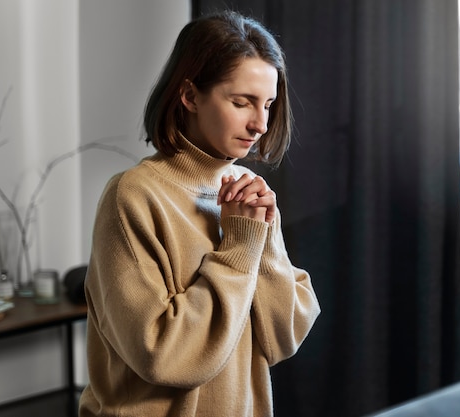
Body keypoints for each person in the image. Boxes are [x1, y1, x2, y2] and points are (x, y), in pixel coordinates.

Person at [78, 10, 320, 417]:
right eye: (241, 102)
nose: (260, 123)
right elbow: (162, 355)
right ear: (189, 96)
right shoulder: (133, 196)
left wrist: (264, 240)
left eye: (269, 104)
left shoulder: (246, 194)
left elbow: (283, 336)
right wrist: (239, 248)